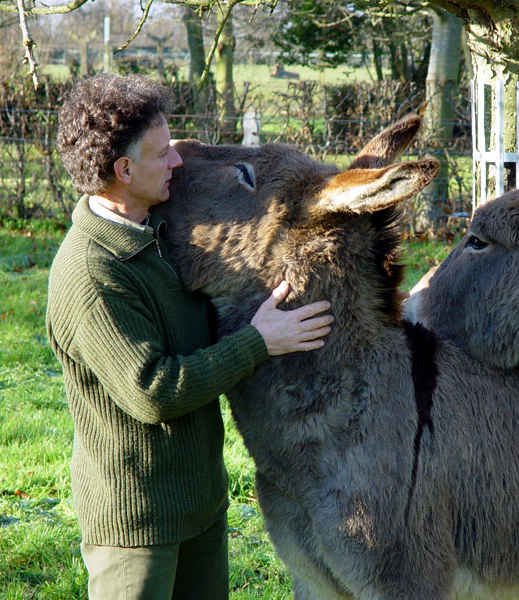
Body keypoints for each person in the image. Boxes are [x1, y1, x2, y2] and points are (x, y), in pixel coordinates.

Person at [46, 73, 333, 600]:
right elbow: (152, 391)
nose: (179, 161)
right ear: (124, 171)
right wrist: (258, 342)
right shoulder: (92, 275)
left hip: (201, 505)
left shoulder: (159, 236)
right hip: (139, 527)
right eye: (163, 154)